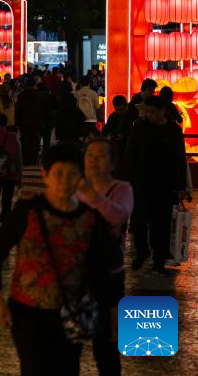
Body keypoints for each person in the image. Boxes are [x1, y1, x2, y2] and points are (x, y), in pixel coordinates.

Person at [0, 144, 118, 376]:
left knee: (68, 369)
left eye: (72, 174)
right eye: (58, 174)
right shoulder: (27, 211)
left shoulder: (90, 218)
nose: (65, 181)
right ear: (45, 175)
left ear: (80, 177)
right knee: (34, 368)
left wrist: (112, 312)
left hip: (71, 311)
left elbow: (104, 268)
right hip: (28, 312)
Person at [77, 138, 133, 376]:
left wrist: (94, 196)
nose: (94, 160)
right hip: (77, 275)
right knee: (71, 344)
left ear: (112, 163)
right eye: (90, 155)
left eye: (100, 155)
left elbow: (117, 216)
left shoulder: (122, 189)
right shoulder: (76, 188)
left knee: (107, 343)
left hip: (109, 276)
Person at [122, 96, 187, 274]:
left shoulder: (173, 130)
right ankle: (143, 251)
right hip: (141, 183)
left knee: (162, 225)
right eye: (147, 111)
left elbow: (180, 159)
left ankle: (159, 262)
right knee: (139, 221)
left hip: (164, 185)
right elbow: (130, 155)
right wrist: (126, 181)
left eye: (153, 111)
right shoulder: (139, 127)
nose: (149, 115)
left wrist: (180, 186)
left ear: (163, 111)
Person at [15, 78, 47, 166]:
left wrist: (17, 123)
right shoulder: (39, 95)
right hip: (37, 122)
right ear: (35, 85)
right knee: (35, 141)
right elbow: (43, 109)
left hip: (24, 122)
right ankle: (33, 160)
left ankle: (26, 160)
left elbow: (18, 110)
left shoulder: (21, 95)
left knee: (25, 141)